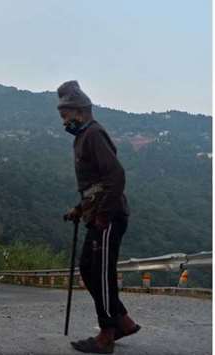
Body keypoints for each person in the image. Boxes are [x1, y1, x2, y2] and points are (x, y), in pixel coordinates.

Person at [57, 80, 140, 354]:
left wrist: (103, 213)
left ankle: (107, 333)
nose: (64, 120)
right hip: (96, 213)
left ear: (80, 111)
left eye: (65, 115)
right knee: (88, 269)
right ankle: (123, 321)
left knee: (102, 274)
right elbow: (95, 186)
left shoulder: (93, 134)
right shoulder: (82, 138)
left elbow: (116, 176)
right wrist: (79, 209)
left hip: (109, 215)